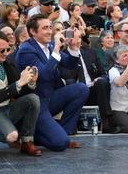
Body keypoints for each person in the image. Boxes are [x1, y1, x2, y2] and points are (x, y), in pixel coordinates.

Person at [16, 14, 89, 151]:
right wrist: (56, 48)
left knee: (82, 89)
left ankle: (63, 133)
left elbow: (70, 64)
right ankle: (30, 134)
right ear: (33, 31)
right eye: (45, 28)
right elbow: (44, 76)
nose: (50, 31)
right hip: (36, 104)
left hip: (51, 98)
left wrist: (73, 47)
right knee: (59, 144)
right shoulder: (27, 50)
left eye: (50, 27)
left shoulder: (49, 46)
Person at [0, 30, 41, 156]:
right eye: (2, 50)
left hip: (9, 108)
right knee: (12, 136)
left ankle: (27, 141)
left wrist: (31, 82)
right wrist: (19, 83)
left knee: (33, 98)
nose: (6, 54)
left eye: (8, 49)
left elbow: (20, 91)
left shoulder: (8, 64)